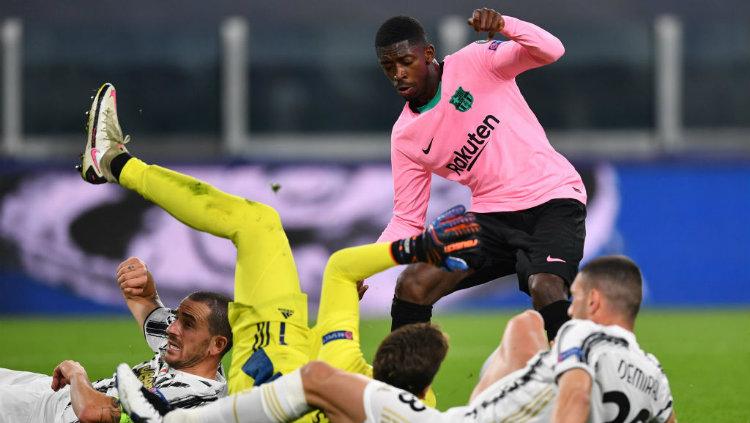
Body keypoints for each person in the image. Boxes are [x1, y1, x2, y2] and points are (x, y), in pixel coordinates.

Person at [77, 82, 483, 416]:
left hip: (268, 364)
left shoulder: (347, 363)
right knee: (259, 229)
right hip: (267, 382)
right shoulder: (418, 408)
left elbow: (341, 268)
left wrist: (416, 247)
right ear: (425, 387)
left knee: (256, 223)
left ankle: (114, 162)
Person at [117, 255, 676, 423]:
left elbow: (575, 398)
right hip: (462, 412)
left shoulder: (579, 333)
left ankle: (170, 421)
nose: (568, 306)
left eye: (576, 297)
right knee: (523, 331)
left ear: (595, 304)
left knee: (316, 380)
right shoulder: (654, 377)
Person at [375, 7, 587, 340]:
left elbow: (551, 50)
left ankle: (579, 376)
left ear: (428, 54)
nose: (398, 74)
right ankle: (401, 388)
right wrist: (366, 266)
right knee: (413, 285)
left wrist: (506, 25)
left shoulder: (475, 61)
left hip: (552, 199)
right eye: (389, 67)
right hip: (491, 218)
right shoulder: (406, 136)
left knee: (544, 287)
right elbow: (406, 220)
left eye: (405, 62)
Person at [0, 257, 231, 423]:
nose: (171, 328)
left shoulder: (191, 396)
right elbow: (144, 300)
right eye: (176, 317)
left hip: (49, 415)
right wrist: (142, 280)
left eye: (187, 323)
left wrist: (77, 373)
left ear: (217, 345)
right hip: (54, 395)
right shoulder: (192, 351)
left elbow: (92, 413)